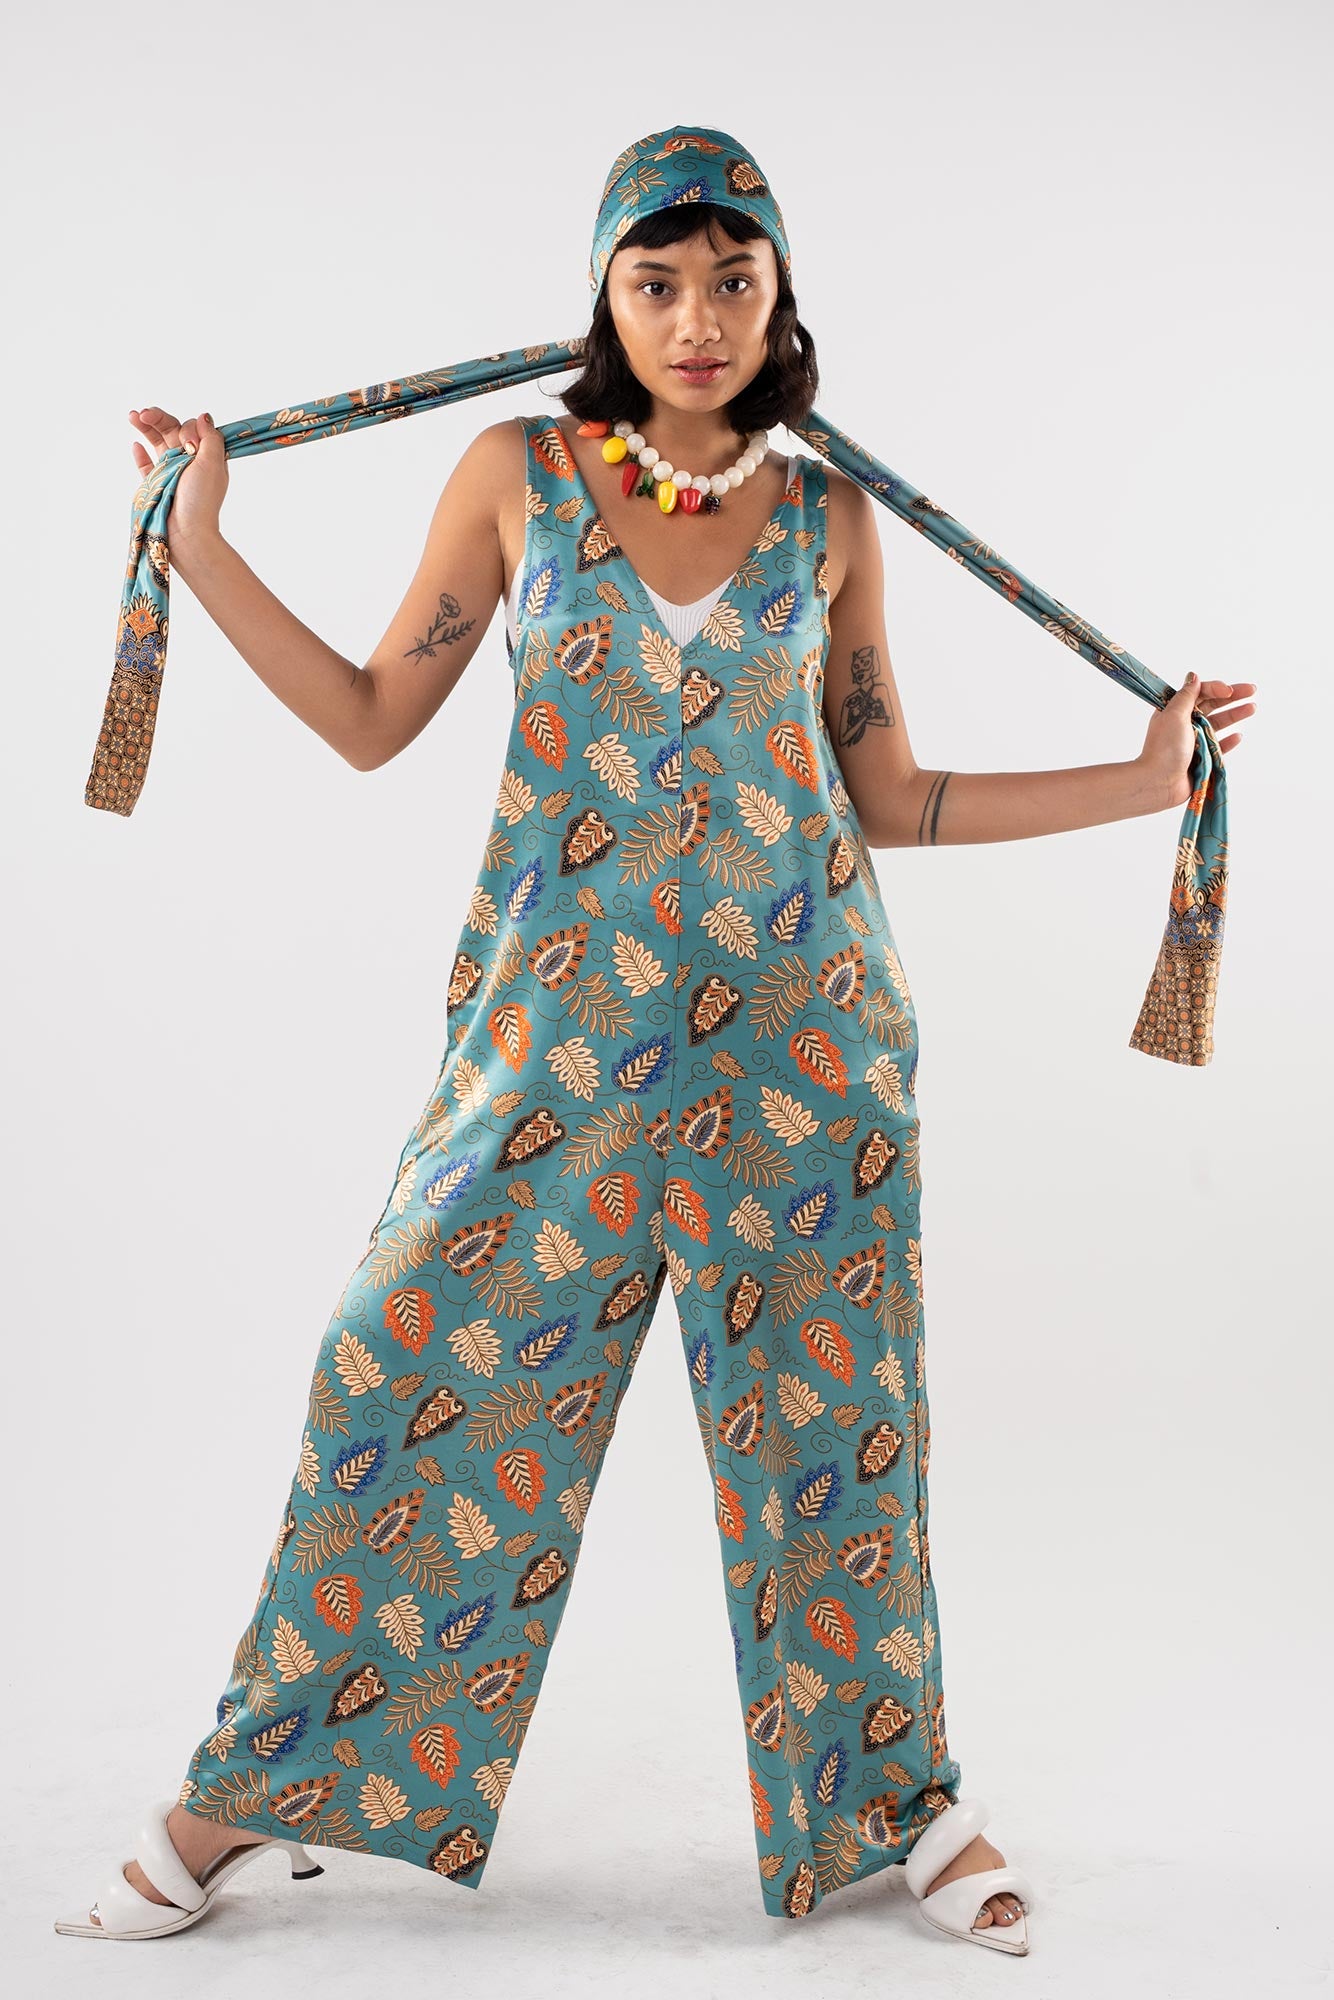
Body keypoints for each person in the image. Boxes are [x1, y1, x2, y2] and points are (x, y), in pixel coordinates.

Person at [58, 128, 1254, 1954]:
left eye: (732, 281)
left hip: (805, 1055)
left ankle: (902, 1806)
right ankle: (256, 1792)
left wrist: (1142, 778)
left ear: (779, 299)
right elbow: (373, 717)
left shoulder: (829, 520)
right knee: (393, 1367)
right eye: (658, 281)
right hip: (546, 1056)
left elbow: (887, 794)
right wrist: (200, 545)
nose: (697, 318)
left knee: (836, 1440)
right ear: (605, 297)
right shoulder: (515, 475)